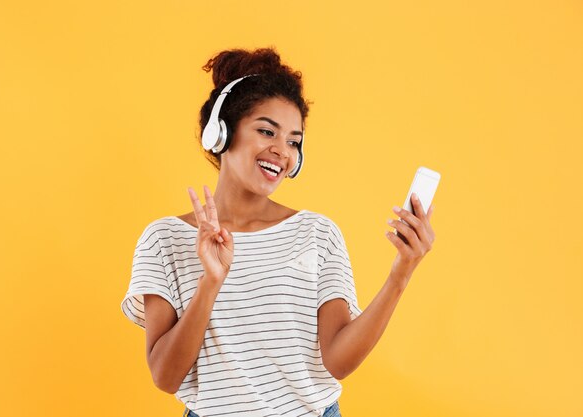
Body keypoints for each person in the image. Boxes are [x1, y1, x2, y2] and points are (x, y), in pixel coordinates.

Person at [121, 47, 436, 417]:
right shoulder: (164, 240)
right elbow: (166, 377)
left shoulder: (317, 233)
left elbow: (337, 361)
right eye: (267, 131)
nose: (281, 152)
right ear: (221, 133)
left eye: (293, 141)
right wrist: (211, 280)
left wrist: (401, 273)